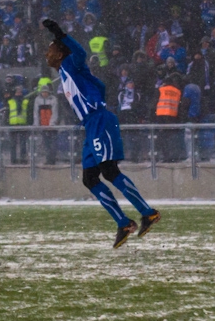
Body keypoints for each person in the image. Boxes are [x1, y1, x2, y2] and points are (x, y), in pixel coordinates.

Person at [42, 19, 159, 247]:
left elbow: (81, 51)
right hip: (91, 123)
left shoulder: (71, 62)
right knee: (90, 178)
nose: (47, 52)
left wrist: (60, 33)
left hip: (99, 120)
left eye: (50, 48)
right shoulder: (65, 72)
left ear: (59, 52)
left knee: (110, 171)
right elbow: (101, 86)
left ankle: (148, 212)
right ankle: (123, 222)